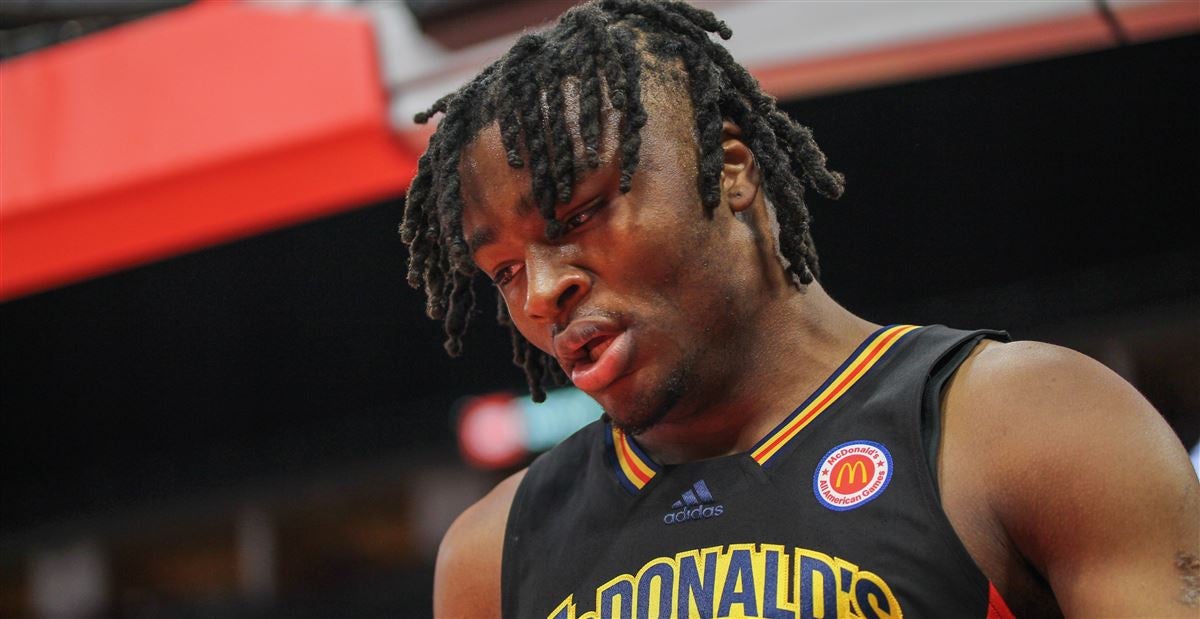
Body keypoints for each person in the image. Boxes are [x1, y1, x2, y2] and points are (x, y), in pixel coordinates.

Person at [400, 1, 1200, 617]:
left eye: (577, 215)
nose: (541, 293)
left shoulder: (1026, 424)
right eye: (504, 271)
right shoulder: (489, 556)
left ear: (731, 167)